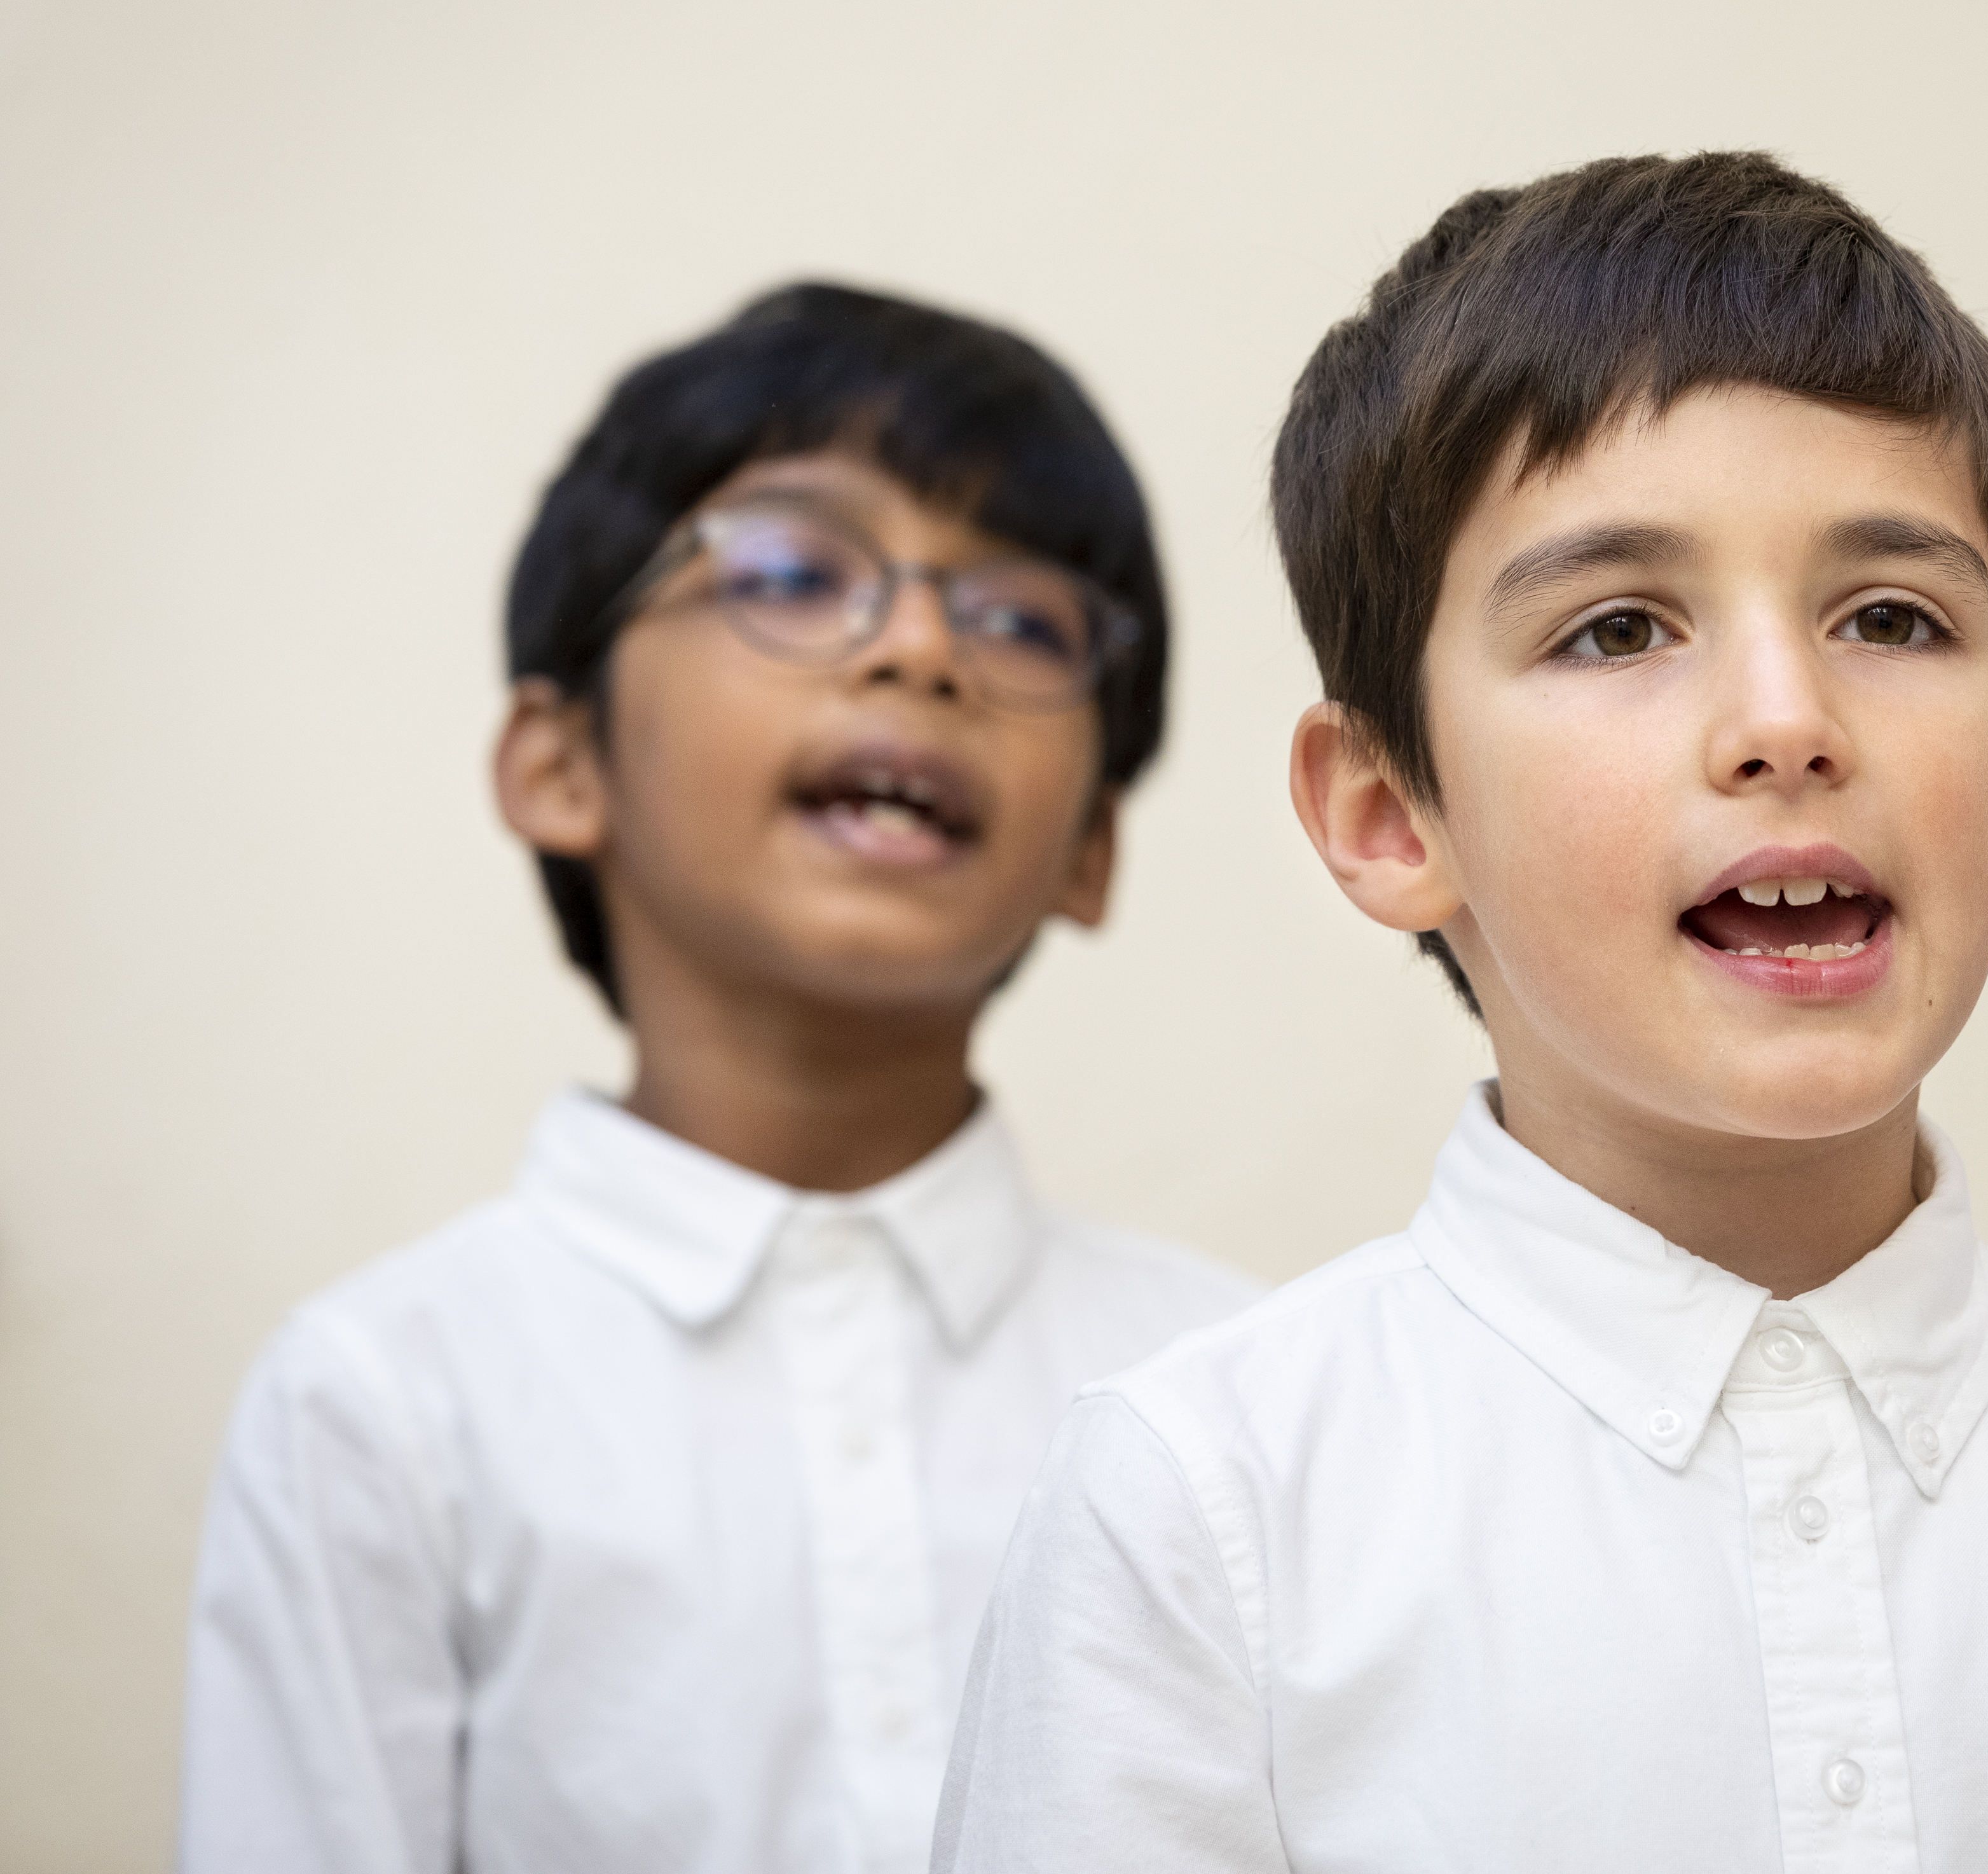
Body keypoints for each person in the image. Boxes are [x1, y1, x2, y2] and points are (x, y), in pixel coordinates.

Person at [934, 153, 1988, 1873]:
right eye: (1616, 627)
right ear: (1388, 814)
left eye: (1891, 616)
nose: (1785, 719)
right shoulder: (1202, 1516)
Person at [179, 283, 1258, 1874]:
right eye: (791, 571)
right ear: (560, 764)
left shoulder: (1236, 1387)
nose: (918, 649)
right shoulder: (386, 1402)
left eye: (1023, 619)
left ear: (1091, 847)